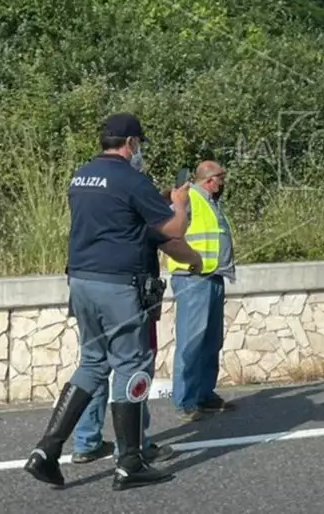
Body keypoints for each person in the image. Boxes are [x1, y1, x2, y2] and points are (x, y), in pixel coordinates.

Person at [23, 113, 192, 491]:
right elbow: (173, 229)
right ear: (131, 143)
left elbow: (116, 216)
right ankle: (130, 462)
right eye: (140, 145)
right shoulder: (132, 178)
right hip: (119, 286)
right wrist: (179, 202)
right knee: (132, 365)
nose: (140, 152)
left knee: (92, 363)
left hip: (82, 281)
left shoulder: (81, 176)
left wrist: (156, 201)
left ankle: (46, 452)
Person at [70, 216, 202, 464]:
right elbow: (172, 241)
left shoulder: (96, 218)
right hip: (129, 299)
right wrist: (195, 258)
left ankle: (86, 442)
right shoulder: (138, 215)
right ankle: (134, 444)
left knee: (93, 365)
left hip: (88, 289)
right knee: (134, 371)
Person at [163, 160, 239, 421]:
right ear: (210, 180)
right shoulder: (189, 197)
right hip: (193, 277)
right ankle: (185, 400)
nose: (223, 183)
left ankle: (204, 394)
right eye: (221, 178)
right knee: (192, 340)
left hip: (213, 276)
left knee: (211, 341)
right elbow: (171, 233)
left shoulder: (209, 201)